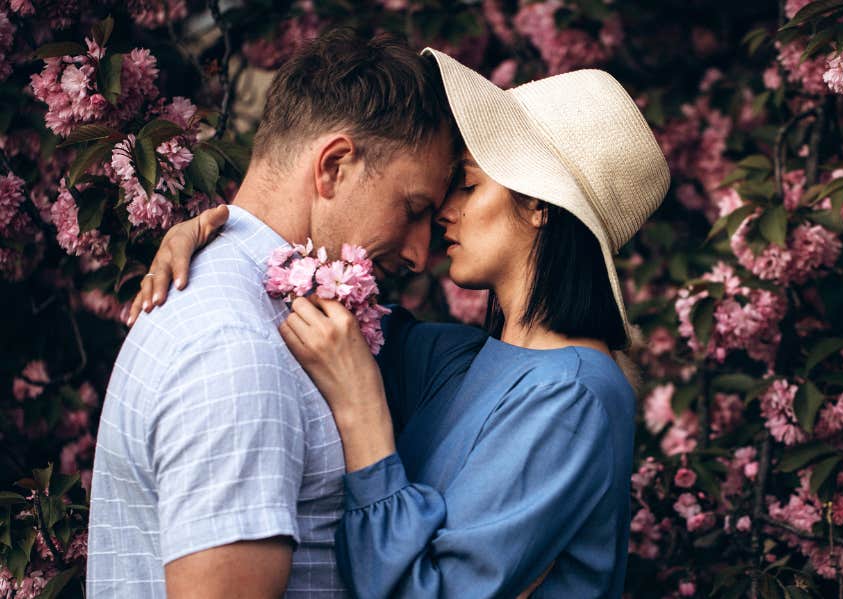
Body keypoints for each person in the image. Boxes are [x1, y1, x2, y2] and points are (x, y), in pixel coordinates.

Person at [130, 48, 670, 597]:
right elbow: (329, 308)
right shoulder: (455, 360)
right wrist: (222, 238)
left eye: (469, 185)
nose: (443, 213)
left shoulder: (574, 396)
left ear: (538, 207)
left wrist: (364, 417)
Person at [87, 29, 456, 598]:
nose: (416, 252)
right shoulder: (237, 354)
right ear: (333, 166)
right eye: (411, 210)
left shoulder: (262, 311)